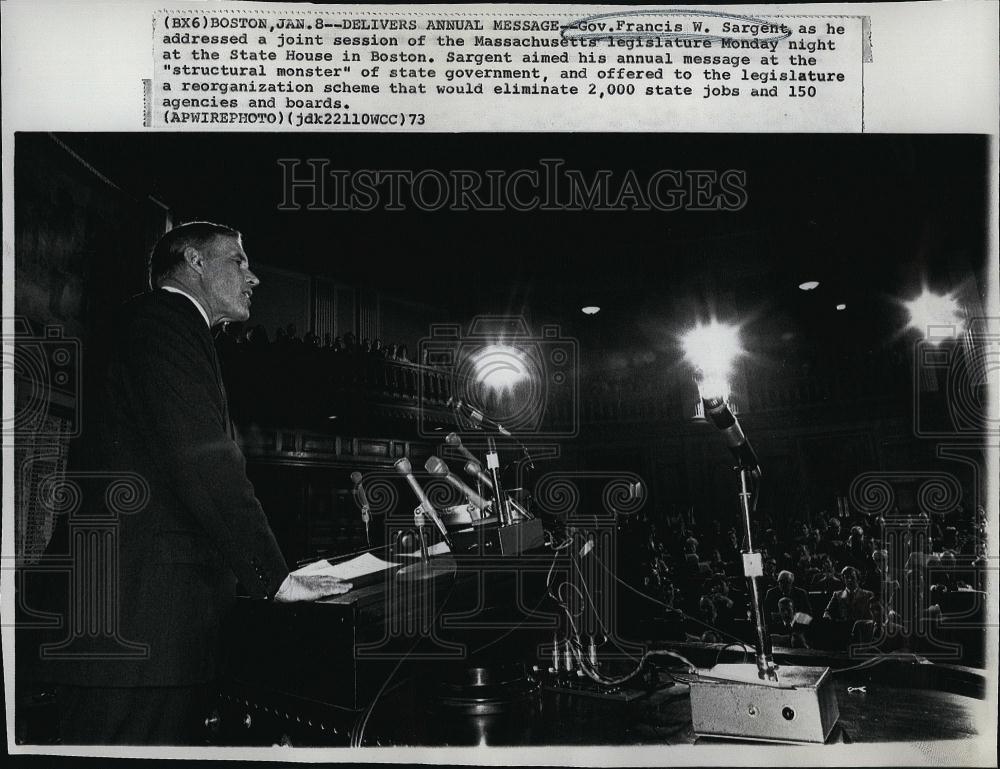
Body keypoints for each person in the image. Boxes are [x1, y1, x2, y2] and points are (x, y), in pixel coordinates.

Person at [39, 222, 351, 745]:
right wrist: (273, 578)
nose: (253, 278)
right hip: (139, 626)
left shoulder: (158, 327)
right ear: (195, 262)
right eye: (239, 261)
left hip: (135, 629)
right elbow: (206, 465)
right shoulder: (165, 320)